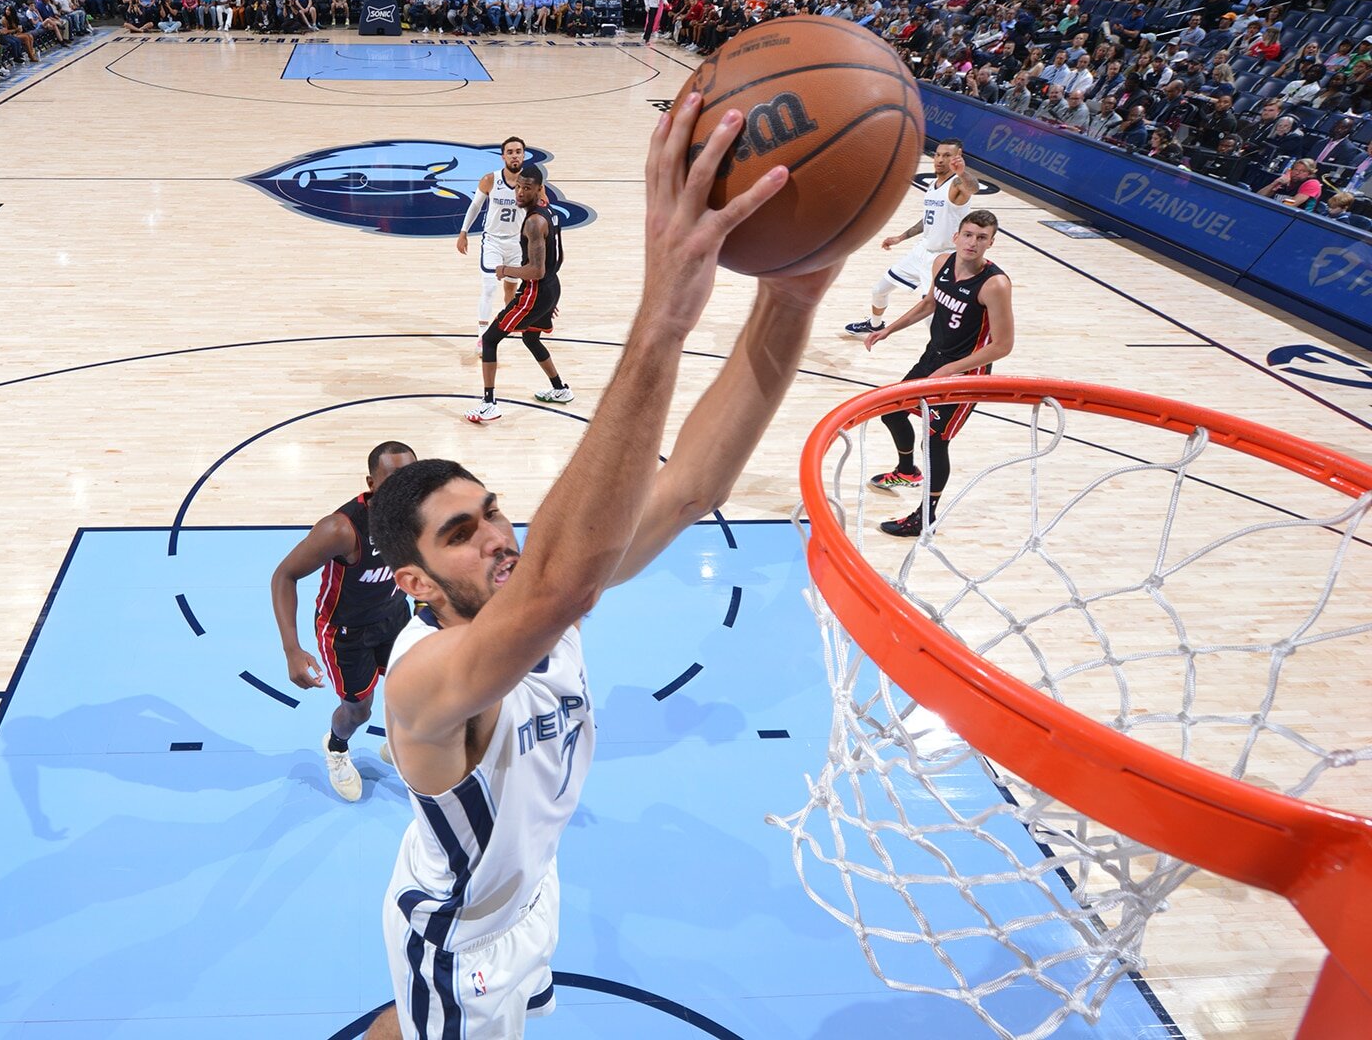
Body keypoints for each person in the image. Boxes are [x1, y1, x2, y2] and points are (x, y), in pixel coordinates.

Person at [360, 93, 835, 1039]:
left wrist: (793, 293)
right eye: (461, 534)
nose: (497, 534)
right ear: (412, 581)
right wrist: (660, 319)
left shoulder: (532, 594)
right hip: (461, 936)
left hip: (532, 892)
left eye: (492, 510)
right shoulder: (425, 683)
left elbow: (692, 483)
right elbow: (563, 586)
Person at [270, 441, 419, 802]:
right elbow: (284, 576)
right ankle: (337, 748)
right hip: (347, 632)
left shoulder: (422, 512)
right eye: (394, 480)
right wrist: (292, 649)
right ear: (371, 483)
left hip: (396, 614)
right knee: (358, 711)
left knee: (417, 691)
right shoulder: (341, 529)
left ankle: (399, 746)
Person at [861, 210, 1015, 537]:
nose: (973, 242)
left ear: (991, 242)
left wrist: (951, 370)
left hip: (966, 374)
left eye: (982, 237)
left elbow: (1003, 345)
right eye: (969, 235)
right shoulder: (942, 262)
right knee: (892, 413)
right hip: (934, 358)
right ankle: (906, 471)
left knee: (934, 441)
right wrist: (889, 330)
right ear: (957, 236)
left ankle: (924, 517)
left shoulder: (995, 285)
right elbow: (929, 304)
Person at [468, 165, 571, 423]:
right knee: (531, 339)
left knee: (490, 340)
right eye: (519, 186)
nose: (520, 192)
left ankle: (489, 403)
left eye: (527, 188)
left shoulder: (534, 222)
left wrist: (505, 269)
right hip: (549, 287)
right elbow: (557, 259)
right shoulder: (549, 213)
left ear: (539, 189)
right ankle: (559, 388)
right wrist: (549, 297)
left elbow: (535, 270)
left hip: (536, 290)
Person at [846, 139, 979, 338]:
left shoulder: (957, 185)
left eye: (947, 156)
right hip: (922, 250)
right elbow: (928, 219)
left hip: (943, 258)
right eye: (938, 155)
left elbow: (973, 187)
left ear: (958, 156)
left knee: (930, 316)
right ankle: (875, 325)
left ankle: (946, 355)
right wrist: (901, 237)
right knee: (879, 290)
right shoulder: (933, 185)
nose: (940, 160)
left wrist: (962, 172)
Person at [456, 136, 527, 345]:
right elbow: (475, 206)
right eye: (510, 152)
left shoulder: (531, 181)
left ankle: (506, 325)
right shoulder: (490, 179)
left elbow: (542, 208)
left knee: (510, 289)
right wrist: (463, 232)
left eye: (518, 151)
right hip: (493, 241)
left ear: (523, 154)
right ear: (503, 155)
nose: (514, 155)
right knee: (489, 287)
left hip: (517, 243)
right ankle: (483, 334)